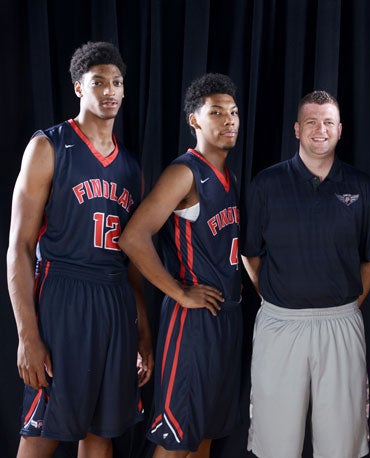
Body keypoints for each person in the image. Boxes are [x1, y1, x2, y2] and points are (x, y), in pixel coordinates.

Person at [6, 41, 153, 457]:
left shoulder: (131, 166)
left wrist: (142, 332)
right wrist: (27, 335)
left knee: (100, 432)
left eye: (118, 83)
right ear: (78, 88)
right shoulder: (48, 147)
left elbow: (132, 264)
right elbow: (19, 245)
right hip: (62, 296)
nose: (110, 91)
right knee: (42, 430)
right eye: (99, 82)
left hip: (114, 300)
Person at [241, 90, 370, 458]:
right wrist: (273, 295)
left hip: (339, 321)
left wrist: (353, 301)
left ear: (340, 130)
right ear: (296, 129)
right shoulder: (266, 184)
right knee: (275, 442)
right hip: (280, 322)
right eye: (311, 122)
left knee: (341, 443)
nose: (320, 130)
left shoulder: (362, 186)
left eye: (328, 122)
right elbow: (250, 254)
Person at [118, 73, 242, 458]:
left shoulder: (230, 177)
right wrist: (178, 292)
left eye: (234, 112)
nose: (229, 120)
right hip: (192, 326)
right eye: (217, 112)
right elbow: (133, 237)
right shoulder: (185, 172)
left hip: (225, 319)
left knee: (204, 435)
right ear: (195, 120)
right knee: (175, 440)